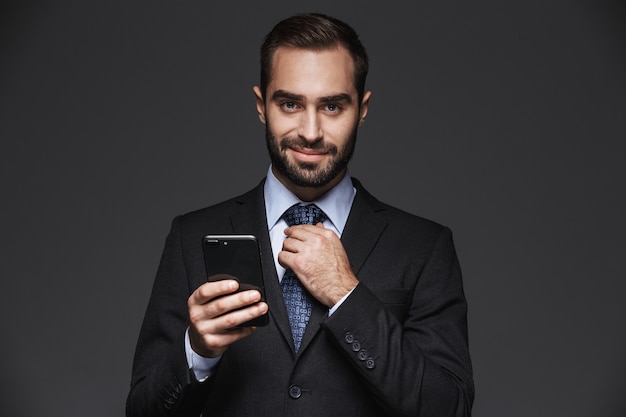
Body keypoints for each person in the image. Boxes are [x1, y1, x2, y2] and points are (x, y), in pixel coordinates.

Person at [126, 12, 474, 417]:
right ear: (261, 106)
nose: (310, 131)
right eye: (290, 103)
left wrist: (347, 296)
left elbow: (449, 409)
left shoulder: (424, 247)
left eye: (331, 106)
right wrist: (198, 351)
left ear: (362, 109)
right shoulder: (191, 236)